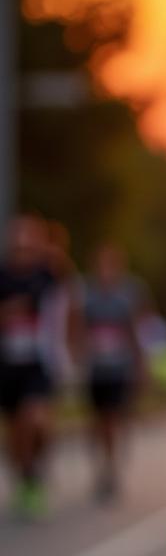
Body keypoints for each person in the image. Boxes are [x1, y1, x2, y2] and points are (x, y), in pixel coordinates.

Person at [75, 242, 151, 502]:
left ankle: (111, 468)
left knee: (113, 418)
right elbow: (76, 327)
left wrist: (141, 365)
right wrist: (77, 355)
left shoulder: (129, 293)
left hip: (120, 368)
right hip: (95, 369)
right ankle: (102, 464)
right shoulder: (86, 294)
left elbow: (136, 332)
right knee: (98, 420)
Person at [0, 214, 62, 519]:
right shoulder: (3, 276)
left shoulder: (46, 274)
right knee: (15, 431)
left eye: (30, 237)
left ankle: (36, 469)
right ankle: (27, 480)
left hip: (39, 362)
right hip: (8, 364)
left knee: (35, 420)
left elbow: (68, 300)